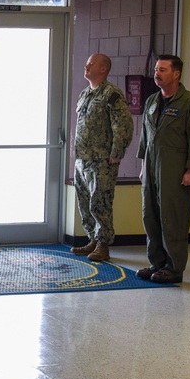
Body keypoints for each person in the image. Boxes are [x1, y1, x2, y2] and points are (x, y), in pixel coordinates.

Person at [136, 55, 190, 284]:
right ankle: (156, 263)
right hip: (151, 168)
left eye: (163, 69)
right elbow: (145, 138)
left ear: (176, 74)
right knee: (151, 216)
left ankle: (174, 268)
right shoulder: (152, 101)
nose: (157, 73)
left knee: (173, 217)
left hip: (175, 169)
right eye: (157, 69)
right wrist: (143, 166)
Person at [70, 53, 133, 262]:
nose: (86, 67)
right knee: (85, 201)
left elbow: (123, 125)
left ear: (103, 69)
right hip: (83, 158)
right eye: (86, 63)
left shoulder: (111, 94)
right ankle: (92, 239)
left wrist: (117, 153)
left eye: (91, 64)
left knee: (101, 201)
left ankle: (103, 244)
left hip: (102, 160)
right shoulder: (85, 94)